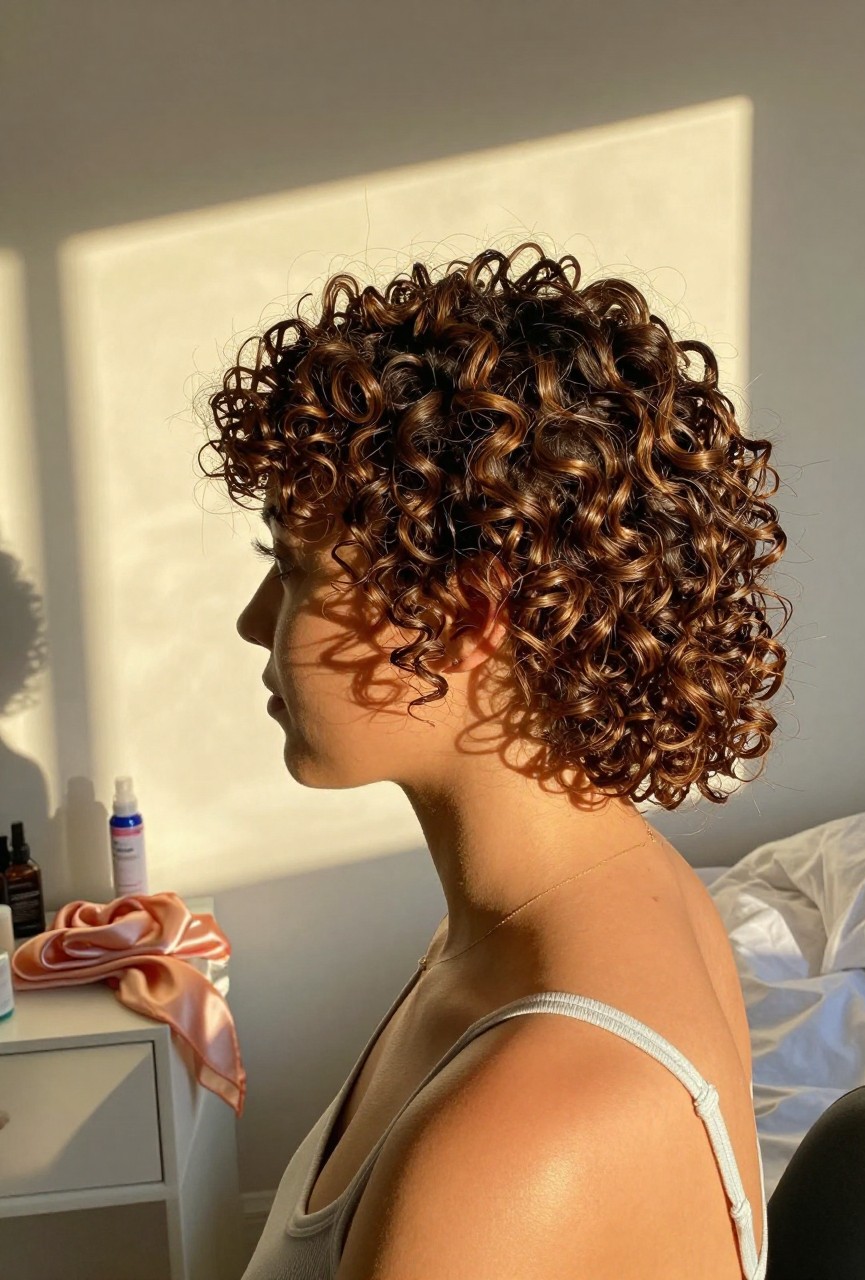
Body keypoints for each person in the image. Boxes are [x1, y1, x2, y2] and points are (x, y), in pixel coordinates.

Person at [197, 241, 790, 1279]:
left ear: (464, 615)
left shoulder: (504, 1142)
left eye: (291, 571)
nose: (254, 621)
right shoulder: (566, 903)